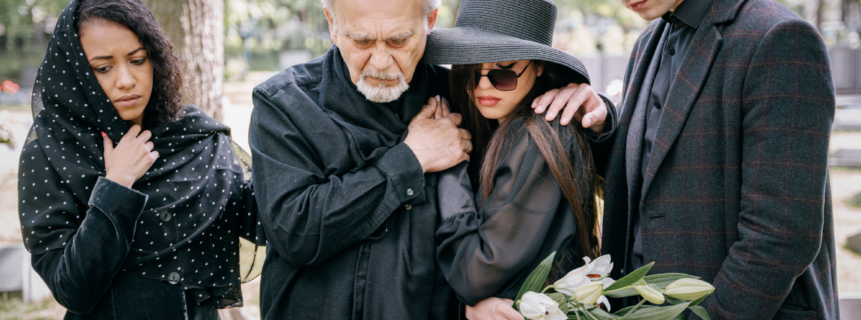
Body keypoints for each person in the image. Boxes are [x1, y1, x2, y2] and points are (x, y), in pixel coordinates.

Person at [248, 0, 615, 318]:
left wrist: (598, 116)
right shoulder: (284, 104)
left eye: (398, 40)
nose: (380, 60)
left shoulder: (465, 92)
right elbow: (295, 232)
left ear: (430, 22)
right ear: (332, 25)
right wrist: (412, 158)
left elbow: (522, 188)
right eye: (361, 40)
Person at [17, 0, 261, 318]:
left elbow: (262, 221)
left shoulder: (193, 136)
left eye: (137, 60)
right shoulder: (53, 151)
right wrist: (116, 186)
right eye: (103, 68)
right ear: (75, 73)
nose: (126, 80)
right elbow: (72, 288)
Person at [600, 0, 838, 317]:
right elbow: (645, 175)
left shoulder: (779, 36)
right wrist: (599, 123)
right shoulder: (648, 40)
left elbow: (781, 235)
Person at [422, 1, 608, 319]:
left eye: (502, 73)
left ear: (537, 66)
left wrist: (448, 162)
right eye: (469, 71)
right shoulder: (502, 130)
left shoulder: (537, 135)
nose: (482, 86)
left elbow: (474, 276)